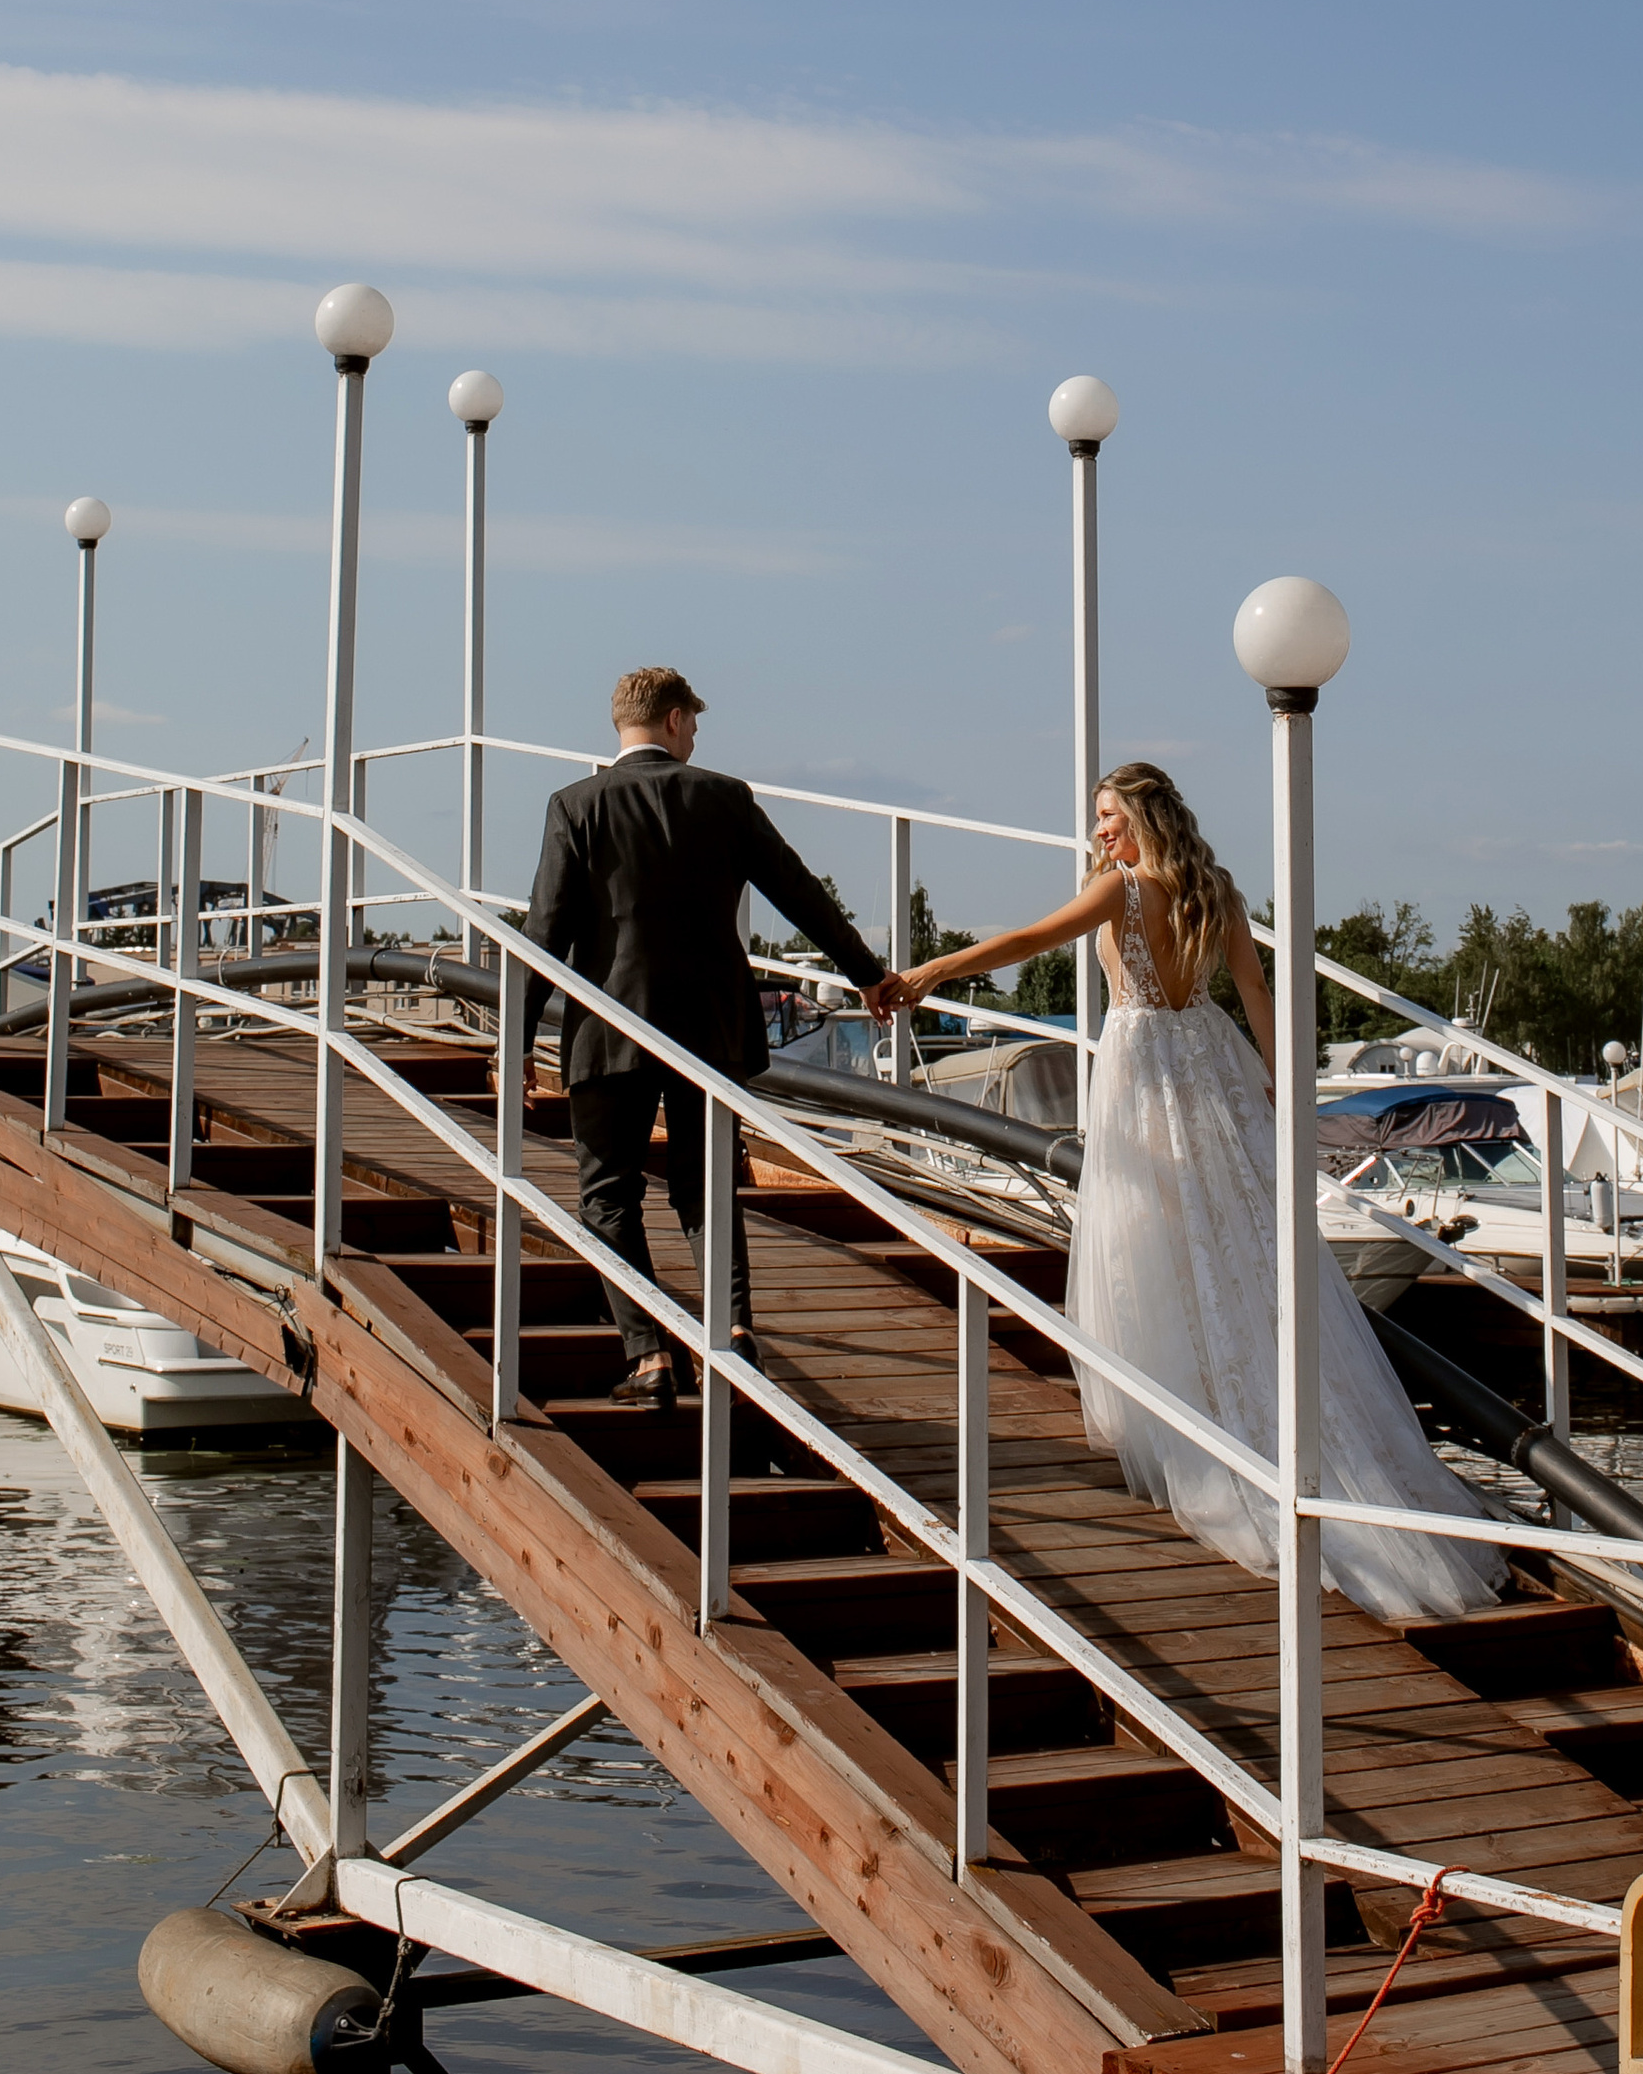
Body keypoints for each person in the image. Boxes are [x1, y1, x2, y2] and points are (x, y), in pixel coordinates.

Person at [895, 760, 1501, 1621]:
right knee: (1233, 1238)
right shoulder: (1214, 888)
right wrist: (1284, 1087)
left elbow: (1028, 942)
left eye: (1107, 815)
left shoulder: (1122, 891)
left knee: (1154, 1235)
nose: (1098, 830)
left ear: (1140, 817)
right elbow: (1255, 991)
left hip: (1146, 1070)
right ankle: (1249, 1399)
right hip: (1212, 1061)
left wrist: (930, 974)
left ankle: (1194, 1409)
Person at [519, 668, 896, 1408]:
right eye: (692, 720)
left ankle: (649, 1355)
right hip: (711, 1030)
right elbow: (799, 889)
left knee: (607, 1196)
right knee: (707, 1187)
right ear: (671, 720)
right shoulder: (724, 798)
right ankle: (735, 1332)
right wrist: (866, 973)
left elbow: (545, 933)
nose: (696, 734)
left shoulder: (574, 806)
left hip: (611, 1030)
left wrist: (515, 1038)